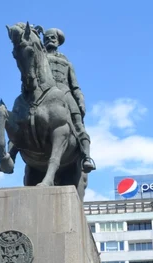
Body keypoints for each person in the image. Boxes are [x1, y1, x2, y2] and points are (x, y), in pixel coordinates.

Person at [42, 27, 96, 173]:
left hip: (65, 93)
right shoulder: (38, 58)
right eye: (46, 38)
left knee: (78, 123)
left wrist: (81, 101)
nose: (49, 40)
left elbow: (75, 86)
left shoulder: (67, 63)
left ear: (58, 41)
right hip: (43, 92)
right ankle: (12, 152)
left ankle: (86, 157)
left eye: (53, 38)